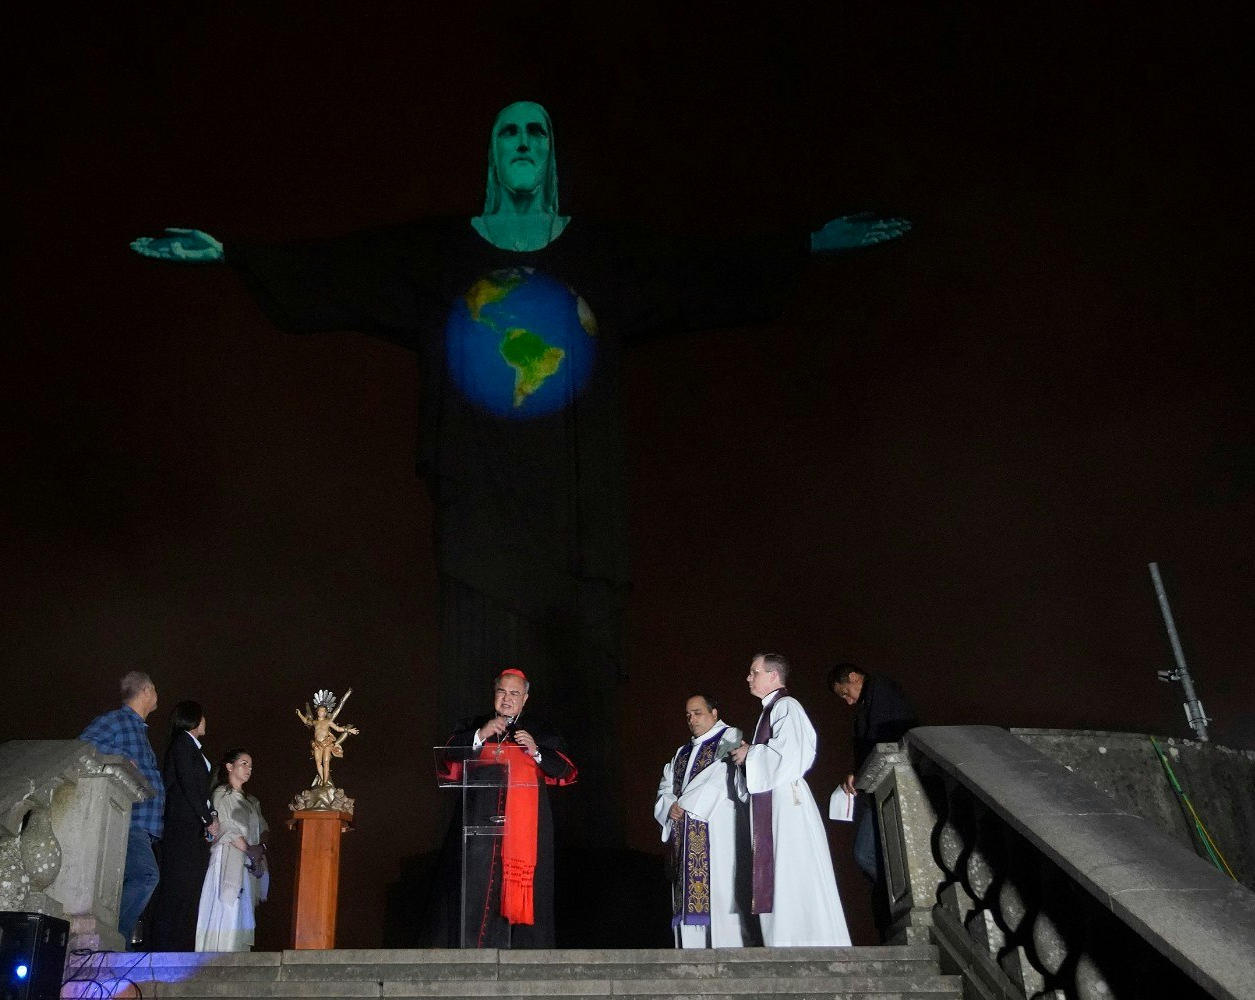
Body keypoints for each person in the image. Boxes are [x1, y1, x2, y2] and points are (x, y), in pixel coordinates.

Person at [128, 101, 910, 848]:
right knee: (478, 653)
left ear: (553, 151)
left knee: (581, 671)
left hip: (576, 507)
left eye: (538, 130)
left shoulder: (599, 253)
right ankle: (471, 848)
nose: (525, 142)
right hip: (483, 507)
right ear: (493, 154)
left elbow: (697, 269)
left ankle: (589, 844)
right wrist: (236, 253)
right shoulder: (445, 254)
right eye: (509, 133)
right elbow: (346, 268)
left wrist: (803, 246)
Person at [426, 668, 577, 948]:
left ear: (525, 698)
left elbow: (566, 769)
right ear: (494, 694)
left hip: (525, 830)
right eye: (502, 692)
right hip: (477, 827)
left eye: (514, 693)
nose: (507, 699)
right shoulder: (475, 724)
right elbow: (447, 756)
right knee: (474, 887)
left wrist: (537, 751)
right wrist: (480, 735)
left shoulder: (540, 731)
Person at [730, 654, 850, 946]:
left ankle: (810, 938)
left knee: (794, 868)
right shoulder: (768, 711)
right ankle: (784, 939)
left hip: (787, 803)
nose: (748, 677)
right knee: (782, 869)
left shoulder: (786, 706)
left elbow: (794, 753)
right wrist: (749, 758)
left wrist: (751, 754)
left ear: (773, 676)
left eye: (753, 671)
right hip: (774, 800)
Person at [78, 671, 165, 946]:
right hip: (128, 820)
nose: (157, 696)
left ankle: (114, 939)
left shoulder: (139, 730)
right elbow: (81, 750)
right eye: (155, 691)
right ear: (147, 690)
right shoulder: (115, 721)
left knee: (128, 880)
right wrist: (119, 760)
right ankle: (112, 938)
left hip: (142, 825)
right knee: (145, 874)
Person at [654, 694, 746, 948]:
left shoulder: (729, 737)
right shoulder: (682, 752)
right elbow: (666, 785)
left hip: (717, 826)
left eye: (698, 713)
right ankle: (691, 955)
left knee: (720, 890)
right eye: (688, 715)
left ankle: (729, 951)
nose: (692, 719)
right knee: (688, 894)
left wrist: (685, 805)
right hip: (684, 831)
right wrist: (669, 806)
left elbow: (720, 776)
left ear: (714, 713)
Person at [828, 663, 918, 889]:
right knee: (870, 853)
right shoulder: (867, 704)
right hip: (876, 788)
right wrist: (856, 774)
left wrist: (859, 773)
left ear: (854, 677)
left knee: (866, 853)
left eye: (845, 693)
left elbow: (884, 734)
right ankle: (896, 895)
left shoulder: (879, 687)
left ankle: (900, 892)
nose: (848, 701)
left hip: (891, 781)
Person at [146, 700, 220, 951]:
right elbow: (188, 784)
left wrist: (211, 813)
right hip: (181, 825)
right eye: (203, 717)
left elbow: (200, 789)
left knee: (188, 884)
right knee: (176, 883)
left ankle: (177, 942)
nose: (206, 722)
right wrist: (207, 818)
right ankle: (160, 943)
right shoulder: (182, 743)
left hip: (192, 827)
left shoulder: (192, 748)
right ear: (194, 719)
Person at [196, 748, 270, 951]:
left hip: (248, 860)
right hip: (230, 857)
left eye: (251, 766)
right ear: (230, 766)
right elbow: (226, 826)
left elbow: (263, 828)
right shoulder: (222, 793)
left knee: (244, 911)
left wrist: (259, 849)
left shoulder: (252, 801)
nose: (249, 769)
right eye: (244, 763)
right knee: (228, 904)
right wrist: (248, 849)